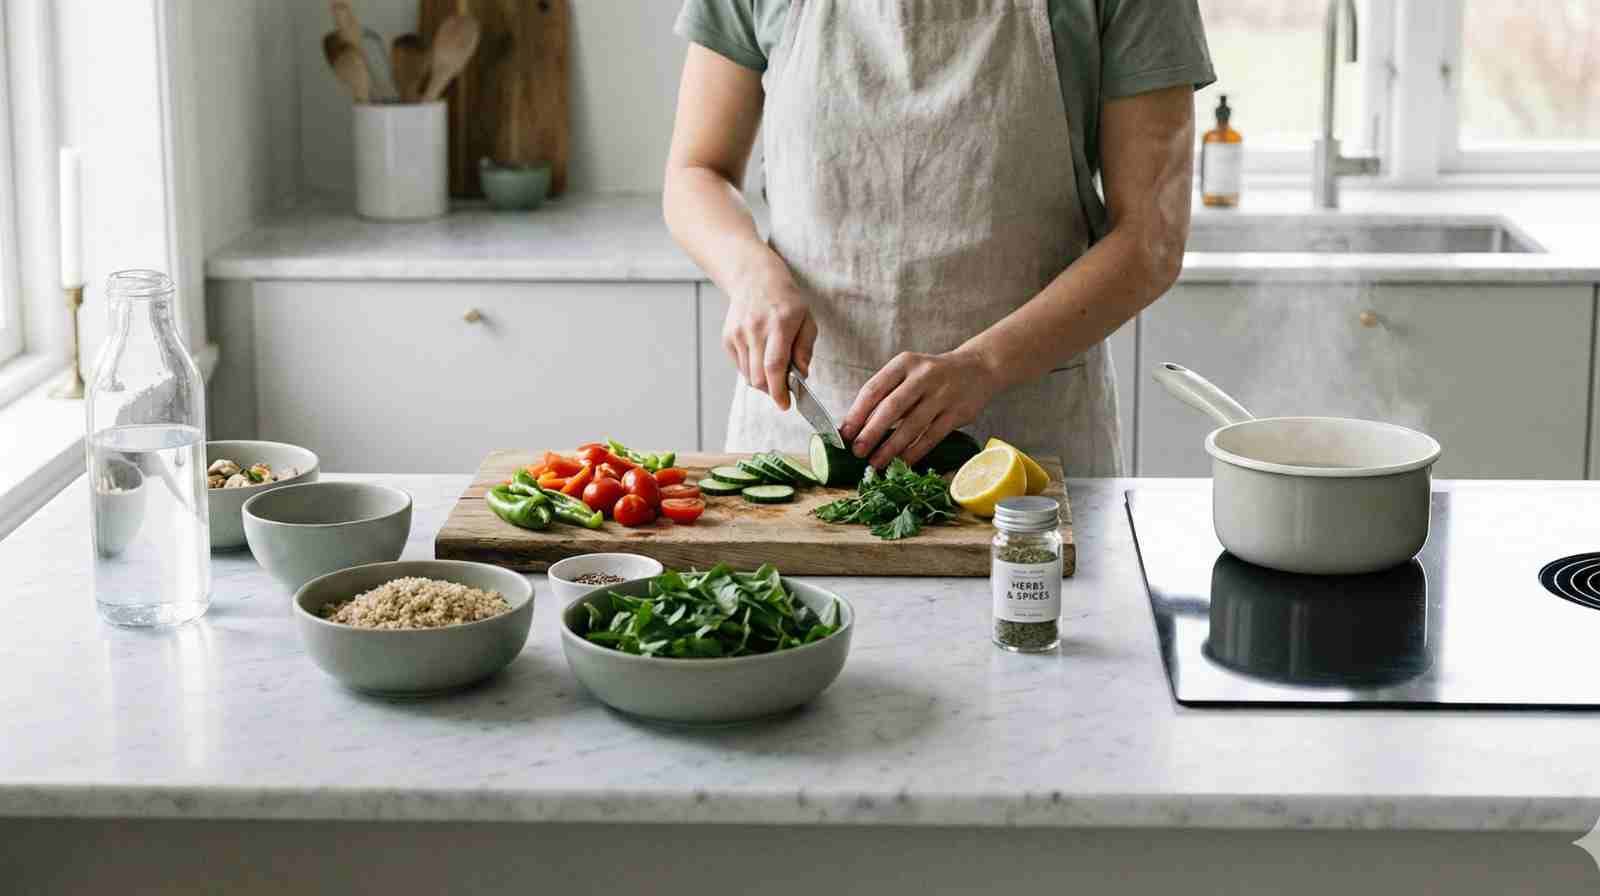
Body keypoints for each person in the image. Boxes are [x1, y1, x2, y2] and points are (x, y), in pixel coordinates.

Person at [664, 0, 1214, 475]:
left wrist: (985, 366)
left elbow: (1151, 240)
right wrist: (751, 275)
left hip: (1025, 448)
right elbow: (696, 172)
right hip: (805, 430)